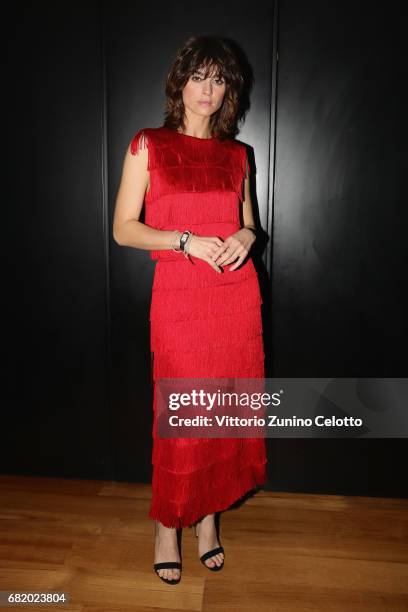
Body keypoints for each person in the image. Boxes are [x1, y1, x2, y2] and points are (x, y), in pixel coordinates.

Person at [113, 35, 267, 585]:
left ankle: (208, 524)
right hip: (180, 299)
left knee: (221, 413)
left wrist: (247, 237)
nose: (208, 89)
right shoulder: (148, 144)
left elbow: (248, 221)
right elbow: (124, 229)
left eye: (219, 79)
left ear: (230, 91)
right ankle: (167, 527)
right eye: (199, 76)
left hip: (234, 296)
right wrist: (182, 240)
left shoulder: (237, 155)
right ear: (180, 82)